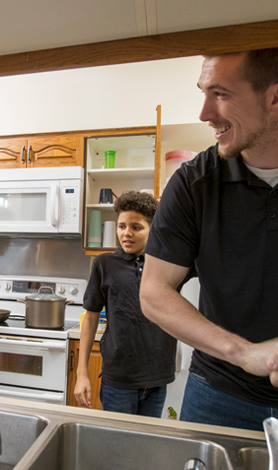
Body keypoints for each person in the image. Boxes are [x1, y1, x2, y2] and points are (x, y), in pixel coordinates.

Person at [140, 48, 278, 431]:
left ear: (274, 98)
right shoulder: (192, 183)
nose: (204, 113)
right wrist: (243, 352)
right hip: (218, 395)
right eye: (204, 92)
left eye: (221, 94)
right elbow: (154, 292)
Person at [74, 191, 177, 417]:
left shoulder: (166, 265)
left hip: (158, 376)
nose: (126, 234)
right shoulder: (104, 264)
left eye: (136, 227)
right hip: (118, 379)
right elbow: (91, 318)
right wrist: (82, 374)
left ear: (153, 229)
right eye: (121, 226)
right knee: (117, 447)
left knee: (146, 446)